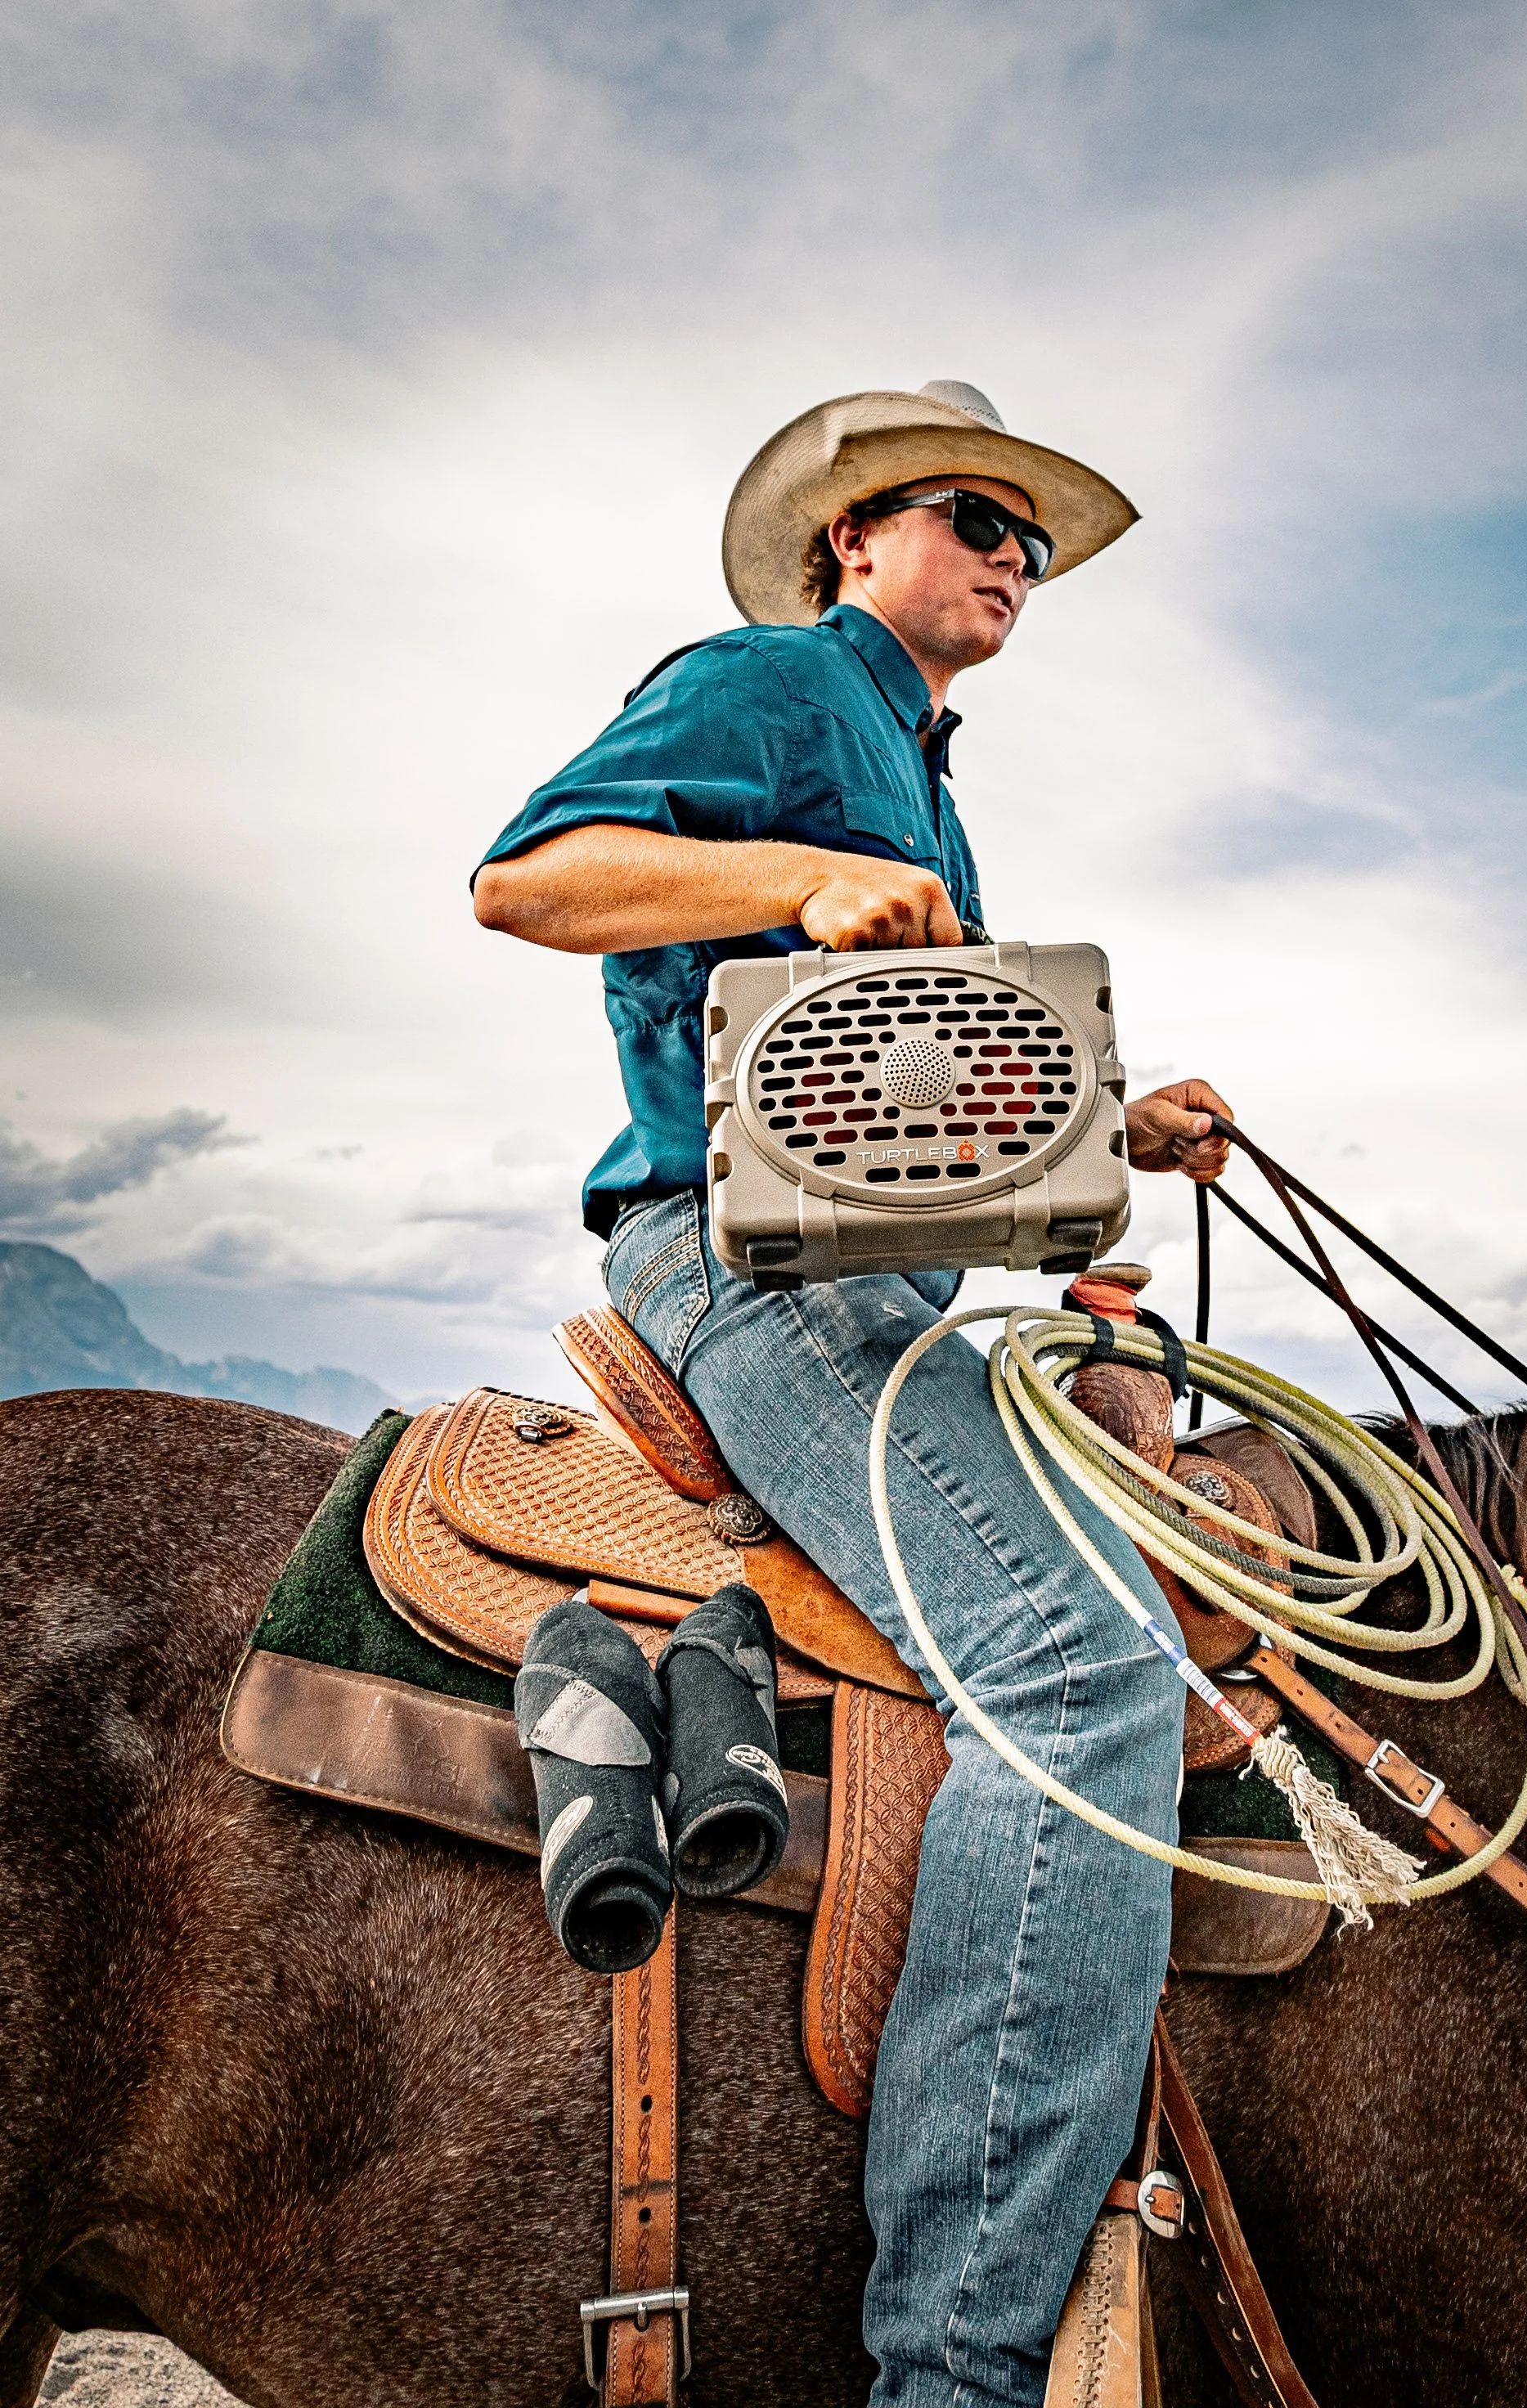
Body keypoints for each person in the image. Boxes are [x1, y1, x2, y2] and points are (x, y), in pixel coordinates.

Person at [474, 380, 1232, 2408]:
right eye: (975, 516)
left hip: (869, 1277)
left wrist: (1108, 1122)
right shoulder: (773, 691)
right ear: (852, 540)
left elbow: (899, 1108)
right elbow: (525, 880)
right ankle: (957, 2368)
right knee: (1080, 1675)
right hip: (733, 1271)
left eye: (1033, 542)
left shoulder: (920, 771)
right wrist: (793, 881)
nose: (1012, 556)